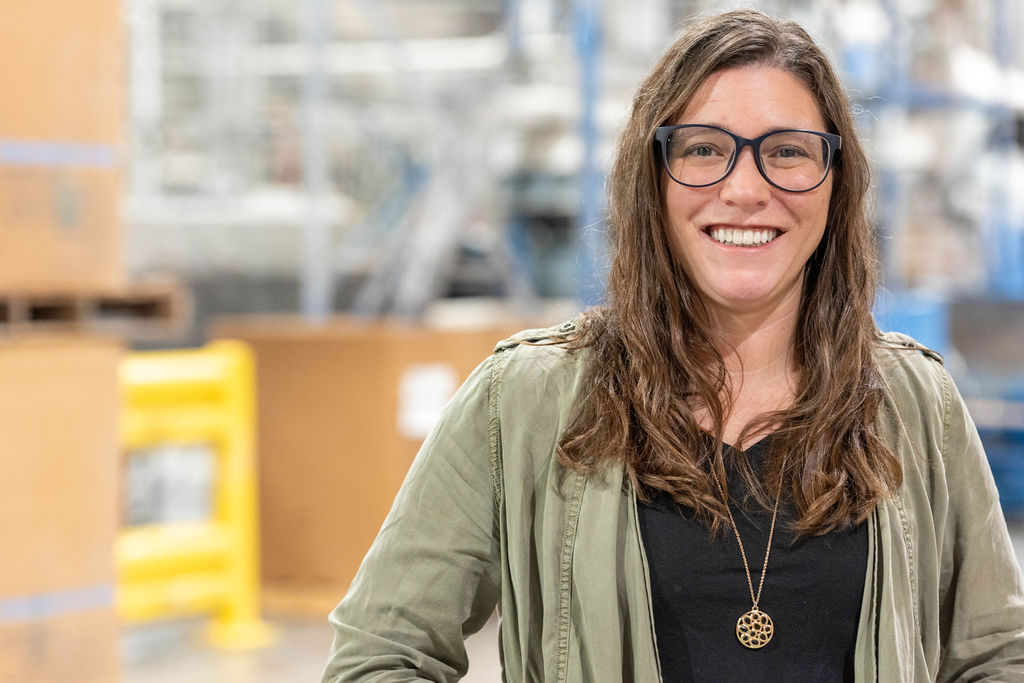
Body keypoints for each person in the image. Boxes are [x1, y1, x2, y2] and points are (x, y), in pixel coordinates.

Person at [322, 9, 1024, 682]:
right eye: (704, 150)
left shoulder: (914, 403)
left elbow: (999, 657)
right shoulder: (523, 401)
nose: (746, 188)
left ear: (836, 183)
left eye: (786, 152)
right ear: (650, 180)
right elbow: (379, 658)